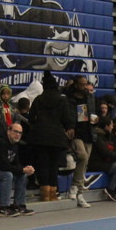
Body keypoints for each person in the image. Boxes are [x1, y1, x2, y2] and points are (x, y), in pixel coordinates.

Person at [26, 71, 73, 202]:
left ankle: (45, 193)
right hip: (57, 137)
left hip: (40, 137)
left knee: (43, 165)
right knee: (54, 166)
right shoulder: (62, 100)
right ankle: (53, 193)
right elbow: (68, 120)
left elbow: (31, 118)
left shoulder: (38, 99)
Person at [0, 122, 36, 217]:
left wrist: (25, 169)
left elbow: (16, 163)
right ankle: (3, 208)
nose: (18, 134)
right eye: (15, 131)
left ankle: (19, 205)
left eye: (20, 133)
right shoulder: (1, 143)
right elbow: (3, 166)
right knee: (8, 175)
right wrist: (22, 170)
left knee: (22, 175)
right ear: (8, 131)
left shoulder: (15, 144)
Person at [63, 75, 95, 207]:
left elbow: (93, 112)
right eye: (82, 84)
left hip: (88, 132)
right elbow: (66, 115)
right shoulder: (69, 98)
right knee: (82, 156)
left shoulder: (89, 97)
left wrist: (95, 119)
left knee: (85, 163)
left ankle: (79, 193)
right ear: (76, 85)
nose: (85, 87)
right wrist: (69, 127)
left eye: (86, 84)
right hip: (76, 133)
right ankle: (74, 186)